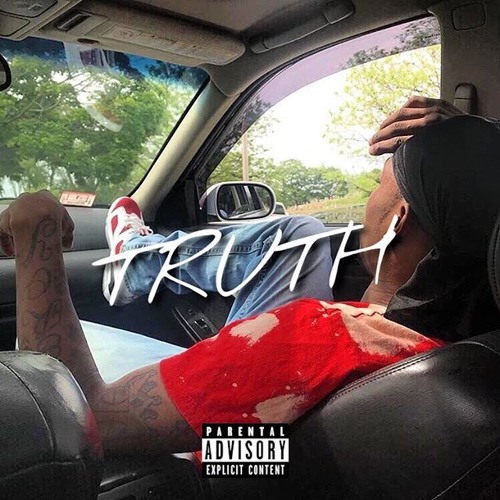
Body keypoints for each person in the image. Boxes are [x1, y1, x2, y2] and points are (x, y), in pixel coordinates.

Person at [6, 102, 496, 457]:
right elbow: (272, 451)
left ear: (398, 220)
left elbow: (79, 419)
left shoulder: (311, 343)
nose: (371, 198)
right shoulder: (476, 347)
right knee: (299, 238)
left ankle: (135, 255)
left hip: (206, 461)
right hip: (276, 449)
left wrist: (36, 234)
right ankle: (137, 256)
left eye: (378, 185)